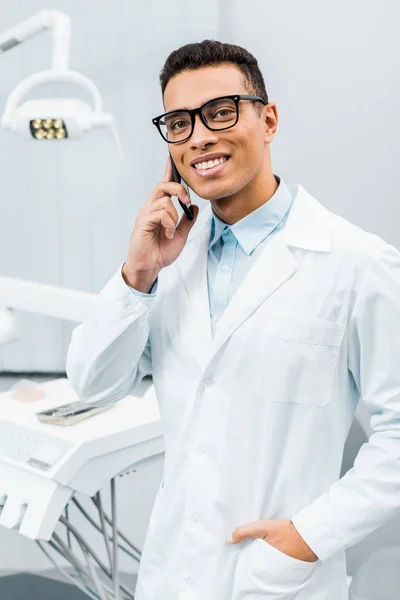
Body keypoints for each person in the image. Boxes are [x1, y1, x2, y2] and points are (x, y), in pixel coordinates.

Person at [66, 40, 400, 600]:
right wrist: (138, 274)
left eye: (221, 112)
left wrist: (308, 537)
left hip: (278, 578)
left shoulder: (355, 263)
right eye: (179, 122)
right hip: (172, 574)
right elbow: (93, 383)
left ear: (267, 120)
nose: (199, 136)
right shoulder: (169, 260)